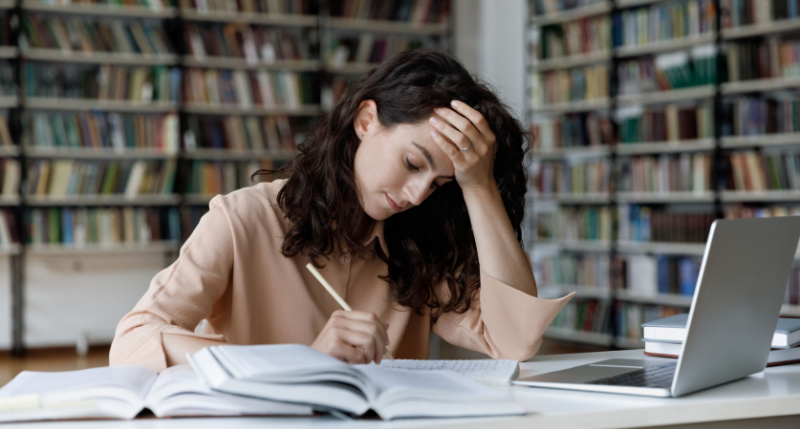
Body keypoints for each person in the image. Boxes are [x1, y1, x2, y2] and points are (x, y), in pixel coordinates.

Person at [110, 49, 573, 372]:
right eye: (413, 163)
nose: (416, 194)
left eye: (440, 183)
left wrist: (479, 186)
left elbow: (515, 341)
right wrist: (295, 363)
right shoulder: (243, 219)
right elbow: (132, 343)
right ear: (366, 120)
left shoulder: (420, 242)